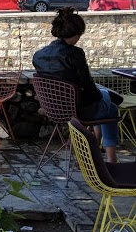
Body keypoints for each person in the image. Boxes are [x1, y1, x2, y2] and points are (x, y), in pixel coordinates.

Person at [32, 8, 120, 163]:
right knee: (111, 106)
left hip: (53, 109)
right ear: (76, 34)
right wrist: (99, 95)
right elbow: (88, 85)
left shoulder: (39, 55)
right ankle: (110, 159)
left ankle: (95, 145)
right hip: (77, 111)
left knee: (104, 99)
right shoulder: (75, 54)